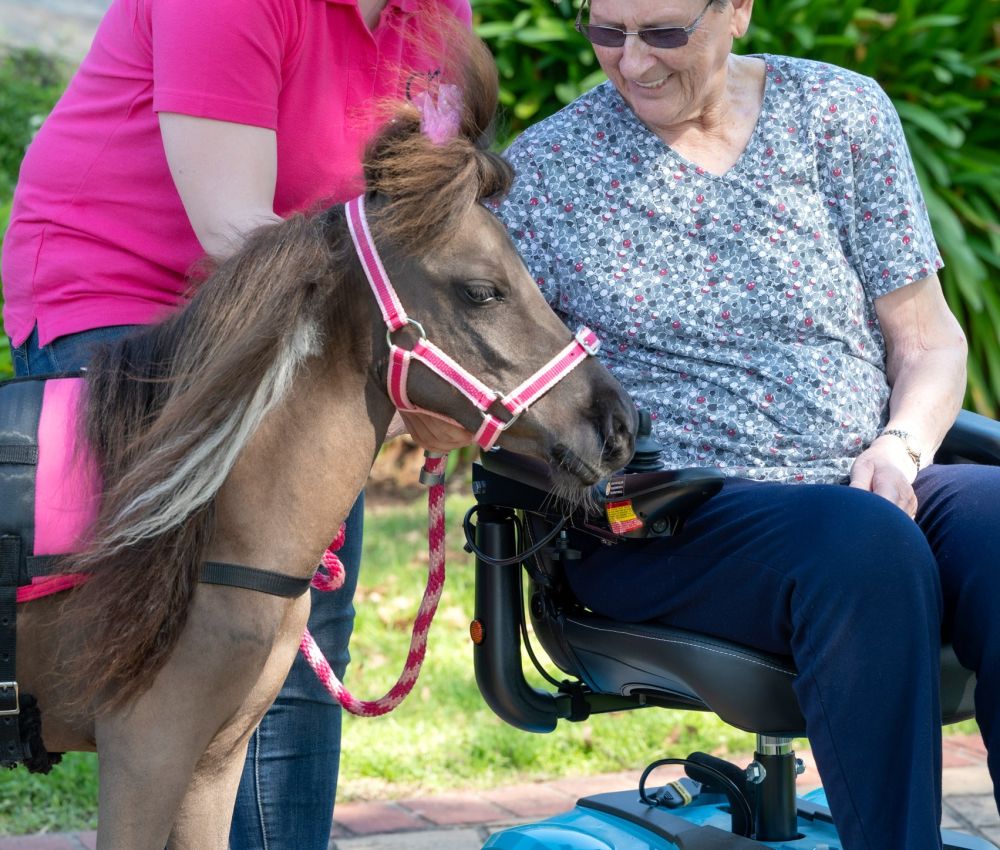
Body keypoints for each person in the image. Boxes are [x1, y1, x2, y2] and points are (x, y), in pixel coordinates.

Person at [494, 0, 1000, 847]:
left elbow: (928, 339)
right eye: (605, 32)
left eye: (663, 33)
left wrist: (901, 445)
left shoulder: (836, 114)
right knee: (862, 545)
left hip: (859, 484)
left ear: (736, 10)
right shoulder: (543, 172)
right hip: (661, 521)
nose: (632, 63)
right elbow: (492, 393)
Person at [1, 0, 470, 846]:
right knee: (210, 615)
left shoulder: (438, 12)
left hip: (309, 304)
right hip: (124, 293)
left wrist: (430, 369)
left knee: (296, 613)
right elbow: (234, 234)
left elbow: (416, 229)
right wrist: (395, 365)